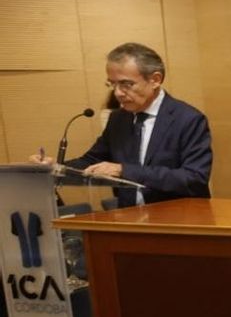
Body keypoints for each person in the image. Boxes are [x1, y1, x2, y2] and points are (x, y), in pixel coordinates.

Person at [30, 42, 212, 208]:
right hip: (130, 218)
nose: (117, 93)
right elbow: (92, 161)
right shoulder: (118, 118)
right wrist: (56, 167)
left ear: (155, 80)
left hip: (180, 218)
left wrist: (123, 170)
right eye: (112, 84)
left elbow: (194, 178)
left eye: (126, 84)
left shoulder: (188, 119)